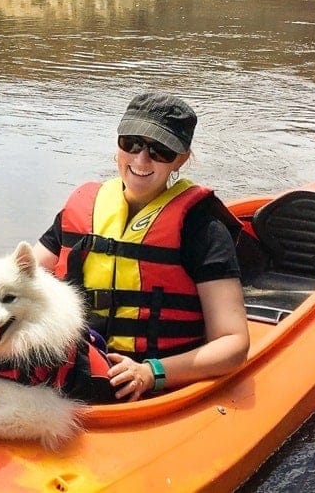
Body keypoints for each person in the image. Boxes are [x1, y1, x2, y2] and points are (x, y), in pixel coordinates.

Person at [33, 91, 249, 401]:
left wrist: (151, 373)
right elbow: (18, 279)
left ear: (182, 158)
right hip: (72, 368)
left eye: (160, 150)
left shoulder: (203, 228)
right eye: (131, 143)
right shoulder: (82, 210)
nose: (141, 160)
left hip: (157, 388)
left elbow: (233, 343)